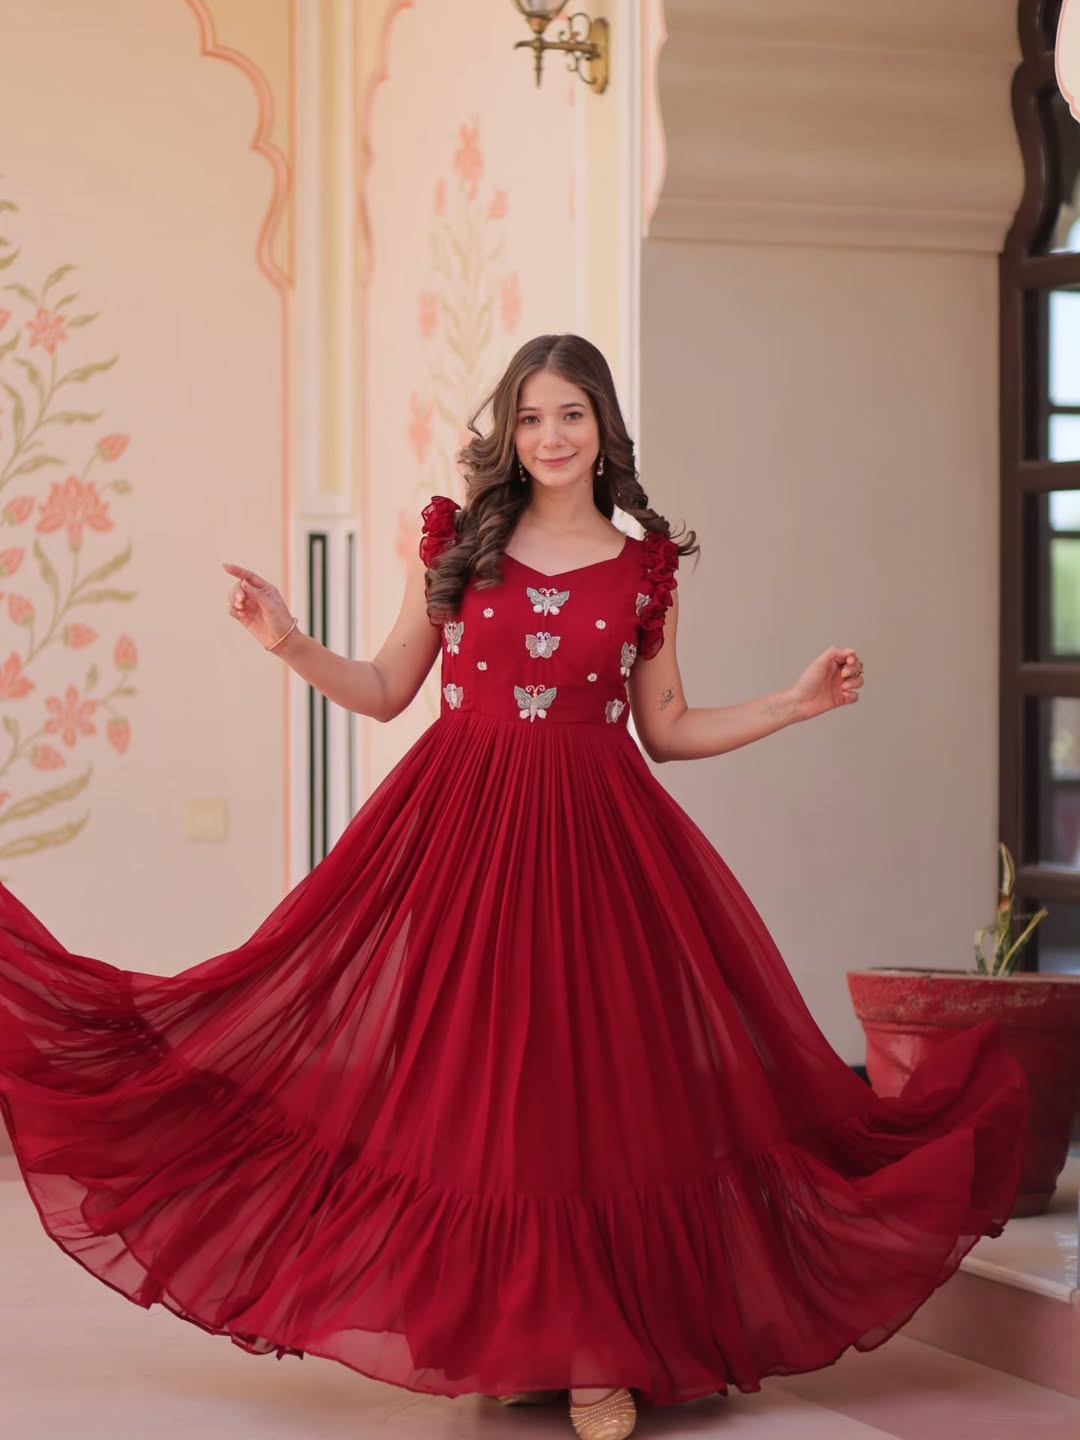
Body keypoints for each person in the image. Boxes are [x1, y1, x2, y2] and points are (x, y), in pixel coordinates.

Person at [0, 334, 1028, 1440]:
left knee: (591, 1090)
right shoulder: (456, 543)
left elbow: (668, 729)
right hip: (459, 840)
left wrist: (794, 704)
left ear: (603, 429)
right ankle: (520, 1334)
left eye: (571, 415)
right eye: (532, 417)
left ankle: (597, 1352)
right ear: (509, 430)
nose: (550, 436)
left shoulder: (648, 568)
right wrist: (289, 641)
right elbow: (390, 688)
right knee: (485, 1090)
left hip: (601, 847)